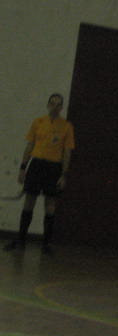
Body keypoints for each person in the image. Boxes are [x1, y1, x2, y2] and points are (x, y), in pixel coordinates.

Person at [4, 93, 75, 254]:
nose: (55, 107)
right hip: (36, 165)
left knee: (50, 205)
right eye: (52, 103)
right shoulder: (38, 122)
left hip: (54, 168)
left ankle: (46, 244)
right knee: (29, 201)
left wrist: (64, 175)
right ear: (48, 105)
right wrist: (23, 168)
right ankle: (21, 240)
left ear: (61, 107)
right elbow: (30, 146)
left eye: (58, 104)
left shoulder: (67, 126)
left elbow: (67, 153)